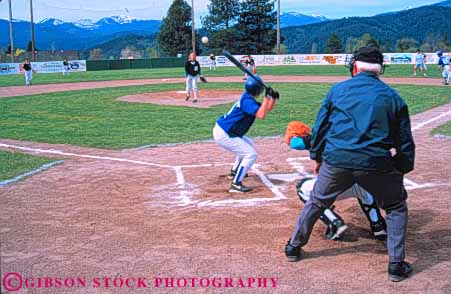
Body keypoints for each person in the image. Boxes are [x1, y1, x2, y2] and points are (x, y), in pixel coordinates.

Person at [285, 46, 415, 283]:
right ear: (379, 70)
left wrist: (318, 159)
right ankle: (396, 265)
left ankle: (293, 247)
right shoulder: (393, 97)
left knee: (316, 200)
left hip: (338, 161)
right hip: (376, 163)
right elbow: (404, 142)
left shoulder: (337, 91)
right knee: (396, 206)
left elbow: (321, 130)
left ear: (354, 67)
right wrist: (400, 167)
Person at [285, 124, 387, 241]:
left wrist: (300, 136)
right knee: (366, 184)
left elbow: (295, 143)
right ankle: (378, 225)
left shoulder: (322, 137)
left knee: (302, 188)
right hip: (363, 184)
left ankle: (334, 222)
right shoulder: (360, 132)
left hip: (335, 186)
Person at [213, 76, 279, 193]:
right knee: (250, 154)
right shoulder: (247, 101)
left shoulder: (248, 98)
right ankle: (236, 184)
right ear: (258, 90)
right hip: (224, 133)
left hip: (228, 131)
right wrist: (266, 97)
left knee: (248, 145)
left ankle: (234, 172)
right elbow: (261, 115)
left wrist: (272, 98)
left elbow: (266, 109)